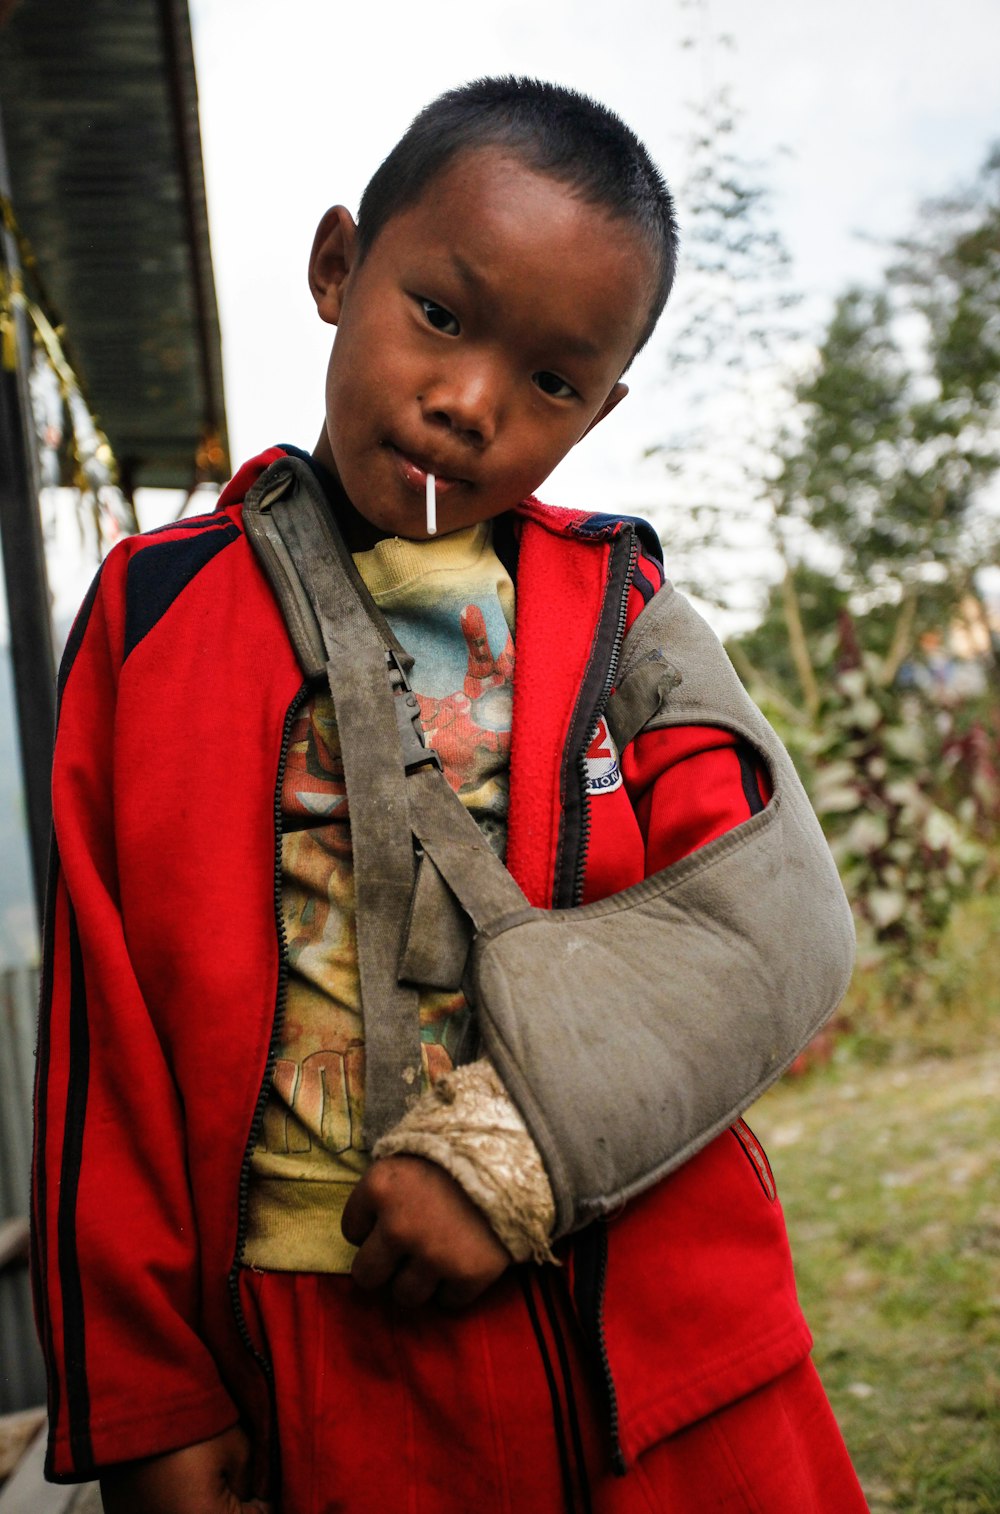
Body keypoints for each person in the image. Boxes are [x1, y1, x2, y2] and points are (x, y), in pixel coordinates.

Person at [33, 78, 869, 1513]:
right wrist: (151, 1401)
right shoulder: (152, 616)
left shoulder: (623, 605)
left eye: (551, 380)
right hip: (321, 1359)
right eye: (440, 312)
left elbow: (776, 919)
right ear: (339, 266)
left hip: (655, 1347)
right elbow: (102, 1048)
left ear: (603, 406)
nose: (469, 402)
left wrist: (522, 1136)